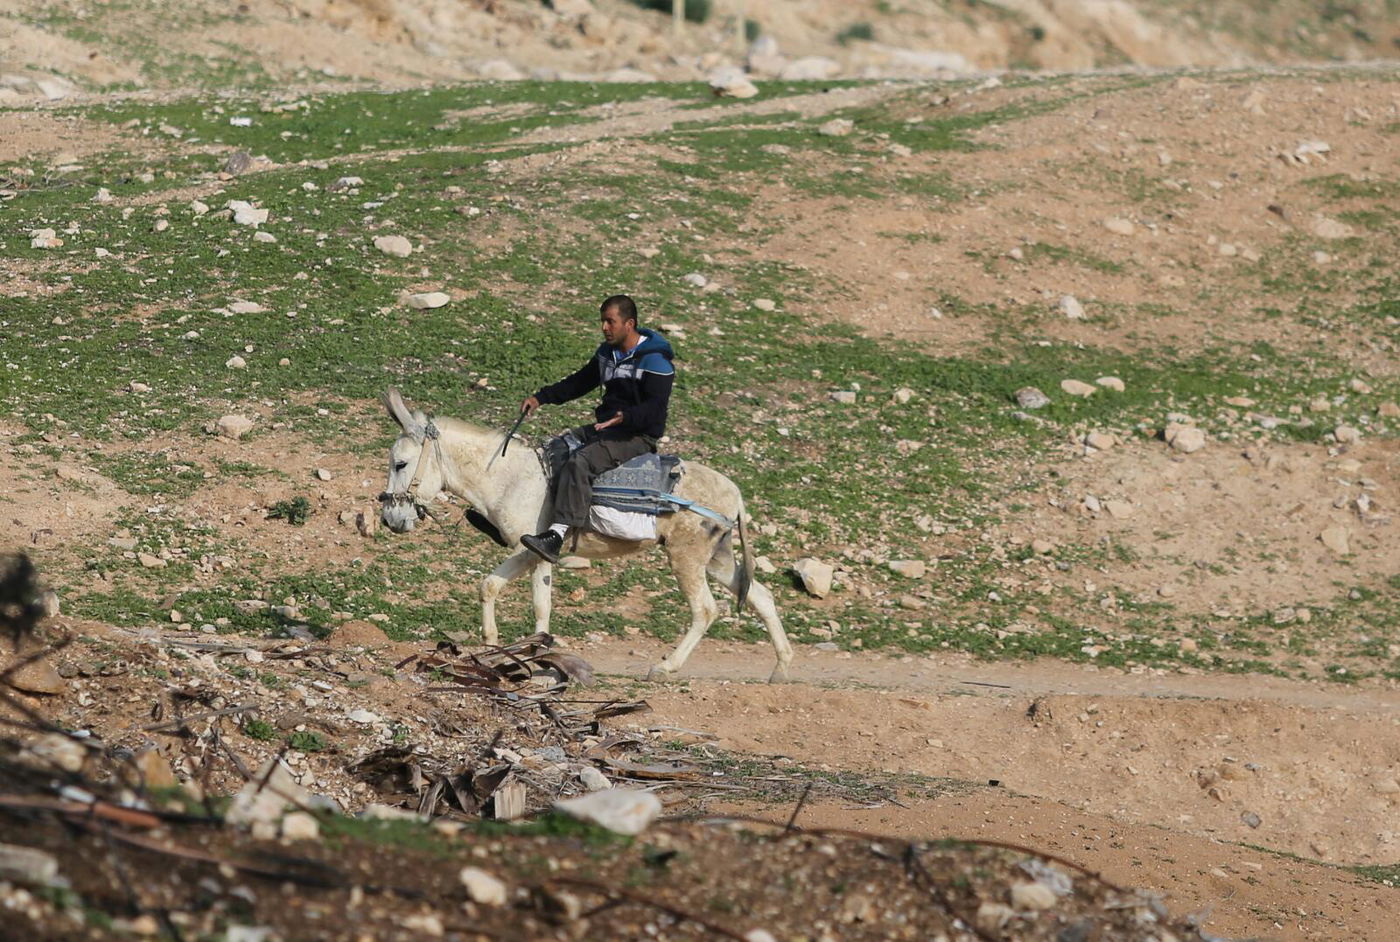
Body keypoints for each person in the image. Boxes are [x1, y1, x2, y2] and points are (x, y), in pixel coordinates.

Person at [519, 295, 675, 563]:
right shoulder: (607, 354)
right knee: (554, 449)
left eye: (610, 322)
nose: (604, 327)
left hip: (636, 435)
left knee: (581, 462)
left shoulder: (655, 361)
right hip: (608, 427)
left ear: (630, 324)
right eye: (602, 321)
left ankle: (558, 536)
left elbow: (656, 409)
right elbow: (579, 382)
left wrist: (624, 418)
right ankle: (527, 522)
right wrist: (541, 397)